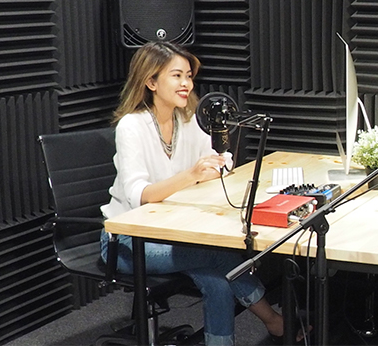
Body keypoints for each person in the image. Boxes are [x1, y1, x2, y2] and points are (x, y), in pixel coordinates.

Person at [100, 41, 293, 345]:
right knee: (218, 253)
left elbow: (220, 161)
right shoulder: (131, 126)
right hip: (128, 243)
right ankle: (273, 320)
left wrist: (216, 165)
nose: (186, 84)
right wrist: (191, 174)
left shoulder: (186, 120)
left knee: (218, 283)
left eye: (189, 76)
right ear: (151, 81)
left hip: (171, 232)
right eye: (177, 76)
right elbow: (139, 195)